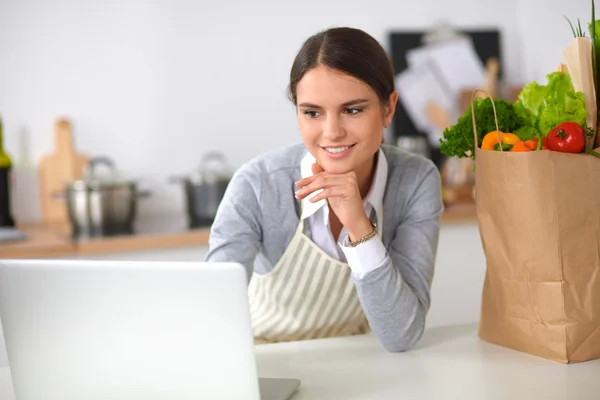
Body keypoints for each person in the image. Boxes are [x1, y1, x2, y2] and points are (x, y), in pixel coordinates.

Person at [205, 26, 443, 352]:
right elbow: (211, 313)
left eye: (353, 109)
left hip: (363, 363)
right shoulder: (257, 184)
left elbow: (401, 335)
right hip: (267, 361)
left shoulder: (416, 180)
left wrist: (358, 224)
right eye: (312, 113)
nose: (332, 133)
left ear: (388, 108)